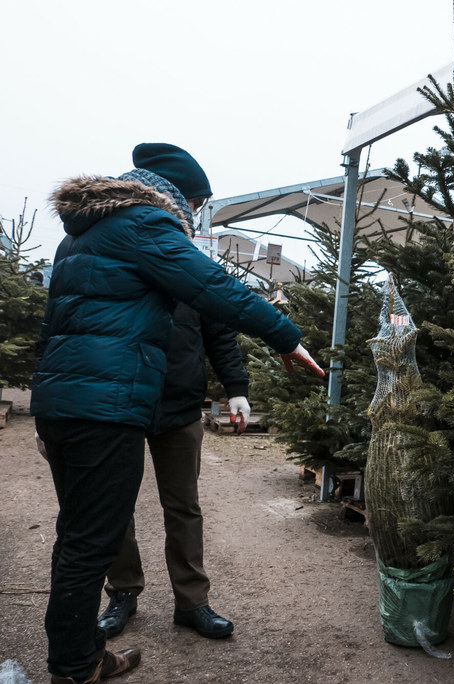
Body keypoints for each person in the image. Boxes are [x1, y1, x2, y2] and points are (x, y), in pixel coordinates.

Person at [32, 143, 325, 684]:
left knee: (77, 536)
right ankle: (76, 663)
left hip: (70, 405)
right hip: (108, 408)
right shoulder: (146, 224)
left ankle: (84, 652)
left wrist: (46, 398)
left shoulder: (82, 234)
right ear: (174, 194)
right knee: (93, 541)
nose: (194, 213)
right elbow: (216, 287)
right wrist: (285, 335)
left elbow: (55, 327)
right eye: (195, 201)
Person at [95, 301, 250, 641]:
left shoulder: (190, 270)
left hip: (180, 407)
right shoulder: (123, 260)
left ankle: (192, 602)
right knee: (115, 503)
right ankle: (123, 590)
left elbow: (219, 335)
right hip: (121, 404)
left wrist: (236, 388)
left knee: (184, 507)